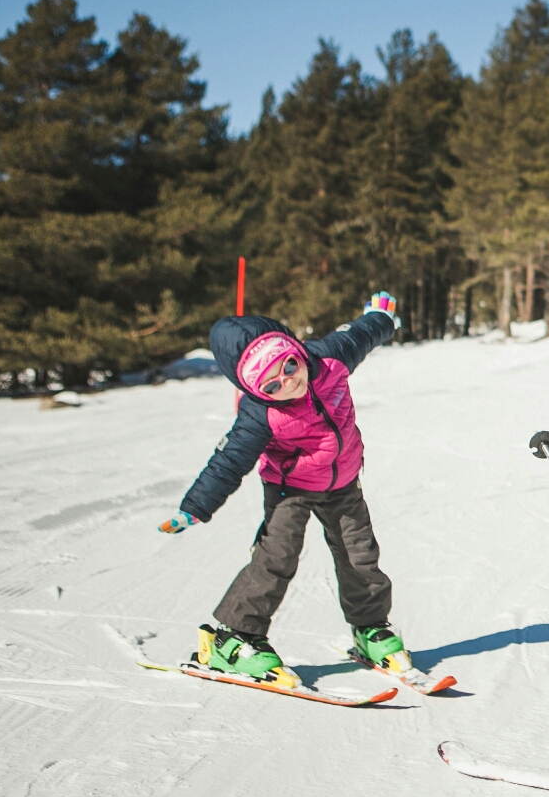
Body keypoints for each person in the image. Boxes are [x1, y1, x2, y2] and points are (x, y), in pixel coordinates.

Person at [157, 292, 409, 687]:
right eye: (272, 385)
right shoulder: (259, 415)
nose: (288, 382)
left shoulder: (327, 358)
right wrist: (195, 507)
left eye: (288, 366)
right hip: (288, 487)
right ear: (258, 392)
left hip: (343, 480)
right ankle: (234, 638)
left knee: (360, 555)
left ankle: (370, 628)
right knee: (277, 556)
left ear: (295, 350)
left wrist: (380, 317)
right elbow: (227, 462)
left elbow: (361, 333)